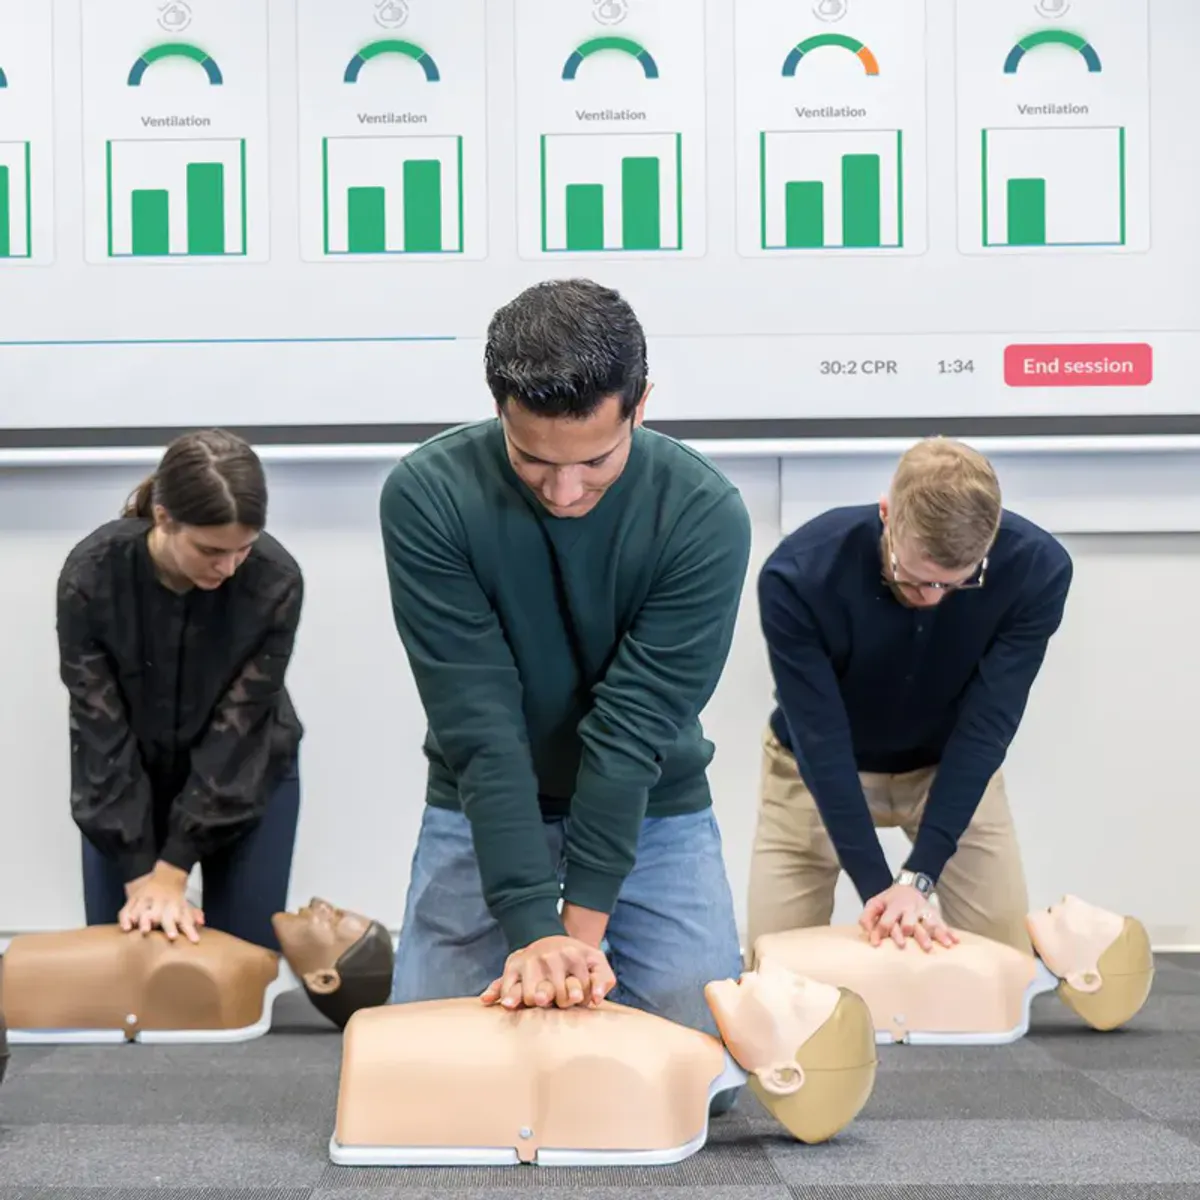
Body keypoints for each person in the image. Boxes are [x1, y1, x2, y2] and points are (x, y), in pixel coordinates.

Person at [378, 278, 752, 1050]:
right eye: (533, 460)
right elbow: (481, 724)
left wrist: (569, 949)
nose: (564, 490)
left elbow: (631, 731)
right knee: (430, 1061)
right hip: (484, 797)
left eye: (595, 461)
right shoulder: (428, 494)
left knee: (701, 1074)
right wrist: (530, 926)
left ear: (640, 406)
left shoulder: (702, 512)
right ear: (498, 408)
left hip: (652, 802)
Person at [749, 436, 1072, 956]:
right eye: (915, 578)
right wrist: (881, 891)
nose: (932, 599)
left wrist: (918, 878)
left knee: (1005, 963)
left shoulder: (1037, 570)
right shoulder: (798, 575)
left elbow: (987, 725)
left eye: (957, 584)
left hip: (947, 766)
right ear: (886, 514)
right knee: (773, 966)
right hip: (812, 770)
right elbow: (820, 738)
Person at [56, 428, 304, 952]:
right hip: (122, 779)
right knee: (123, 965)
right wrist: (139, 872)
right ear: (164, 517)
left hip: (244, 769)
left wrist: (173, 871)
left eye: (243, 549)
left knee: (240, 966)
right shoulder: (92, 575)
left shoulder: (275, 580)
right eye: (211, 550)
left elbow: (239, 727)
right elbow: (99, 726)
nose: (228, 567)